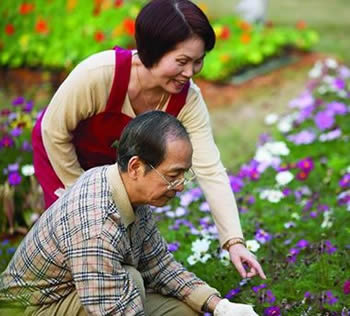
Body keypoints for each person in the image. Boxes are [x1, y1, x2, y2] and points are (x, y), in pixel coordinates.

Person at [32, 0, 266, 279]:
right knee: (78, 243)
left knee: (119, 249)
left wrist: (234, 242)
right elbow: (53, 132)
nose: (190, 72)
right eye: (182, 61)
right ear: (151, 51)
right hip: (64, 159)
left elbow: (210, 169)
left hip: (118, 172)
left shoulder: (187, 100)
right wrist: (84, 199)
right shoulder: (99, 75)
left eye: (198, 61)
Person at [1, 112, 259, 316]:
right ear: (136, 166)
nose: (181, 185)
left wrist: (218, 305)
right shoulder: (96, 223)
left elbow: (159, 265)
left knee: (182, 311)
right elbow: (111, 309)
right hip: (34, 308)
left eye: (184, 175)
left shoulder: (128, 190)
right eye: (173, 175)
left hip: (86, 294)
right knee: (132, 279)